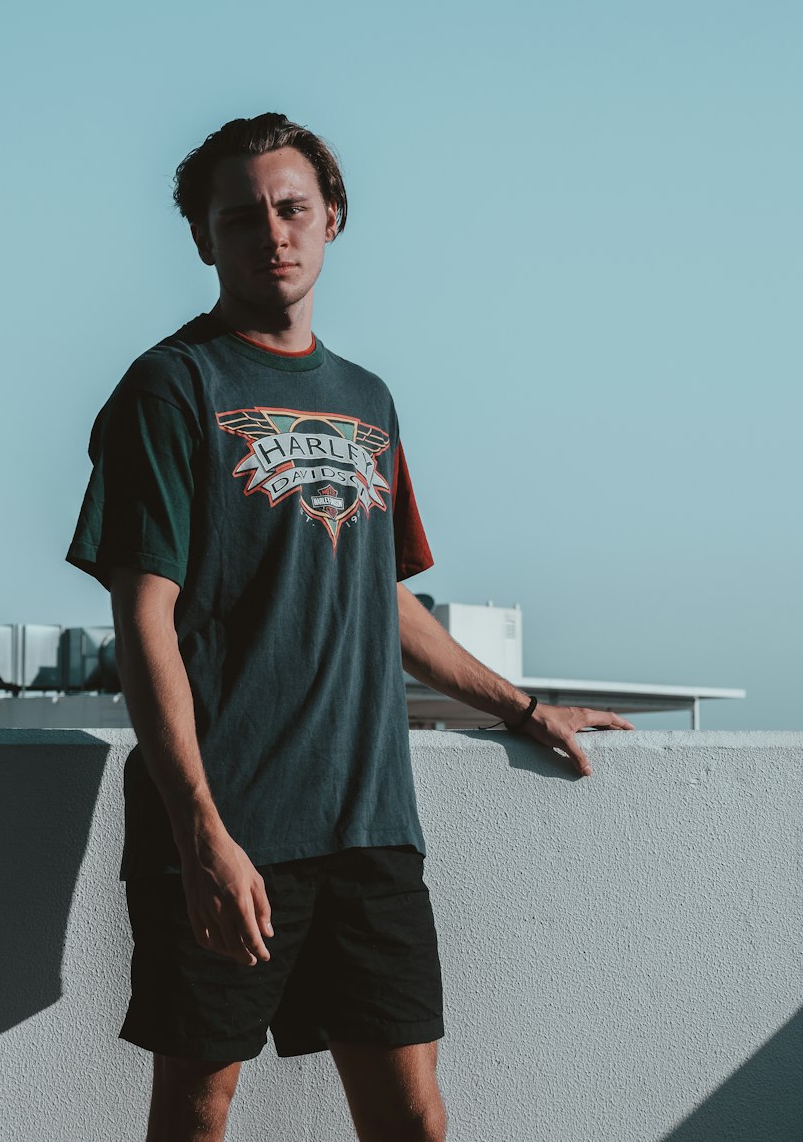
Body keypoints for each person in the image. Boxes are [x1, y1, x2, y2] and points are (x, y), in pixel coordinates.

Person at [66, 112, 634, 1142]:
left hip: (368, 825)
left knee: (411, 1118)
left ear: (331, 217)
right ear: (204, 237)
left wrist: (524, 706)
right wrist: (199, 834)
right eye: (240, 217)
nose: (271, 233)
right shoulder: (171, 388)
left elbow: (382, 598)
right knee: (199, 1109)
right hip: (228, 827)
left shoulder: (366, 400)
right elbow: (142, 619)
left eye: (291, 209)